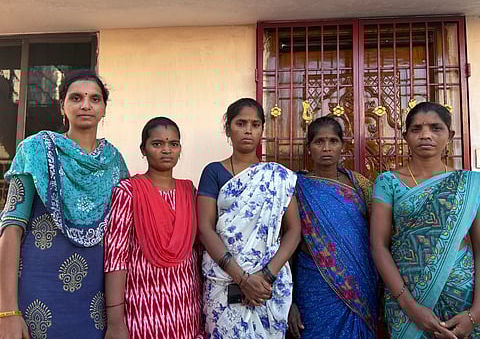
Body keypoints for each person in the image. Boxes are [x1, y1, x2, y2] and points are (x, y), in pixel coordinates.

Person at [0, 70, 129, 339]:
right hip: (37, 294)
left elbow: (121, 240)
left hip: (95, 304)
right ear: (63, 106)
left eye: (95, 99)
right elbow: (10, 231)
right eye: (76, 97)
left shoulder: (114, 162)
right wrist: (7, 311)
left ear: (104, 108)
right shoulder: (34, 151)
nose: (85, 105)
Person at [370, 101, 480, 339]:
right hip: (407, 302)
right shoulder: (388, 182)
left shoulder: (470, 184)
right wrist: (411, 308)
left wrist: (475, 314)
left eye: (435, 128)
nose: (426, 135)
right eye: (417, 129)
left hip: (463, 301)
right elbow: (379, 246)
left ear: (449, 135)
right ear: (405, 136)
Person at [197, 98, 301, 339]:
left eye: (255, 124)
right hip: (225, 282)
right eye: (240, 123)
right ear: (228, 129)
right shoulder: (213, 172)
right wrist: (242, 279)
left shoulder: (278, 177)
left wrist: (266, 276)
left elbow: (294, 230)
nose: (248, 130)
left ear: (262, 129)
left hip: (268, 286)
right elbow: (205, 228)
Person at [104, 117, 203, 339]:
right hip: (143, 312)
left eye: (173, 144)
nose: (166, 150)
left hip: (187, 309)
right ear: (144, 149)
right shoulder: (129, 191)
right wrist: (116, 322)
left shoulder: (190, 192)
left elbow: (198, 252)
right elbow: (116, 258)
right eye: (157, 144)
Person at [287, 116, 378, 339]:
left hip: (360, 285)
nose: (326, 148)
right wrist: (288, 299)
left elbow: (380, 236)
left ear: (342, 146)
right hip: (313, 287)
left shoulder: (361, 185)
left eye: (333, 141)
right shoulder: (297, 187)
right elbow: (287, 241)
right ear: (309, 148)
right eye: (319, 142)